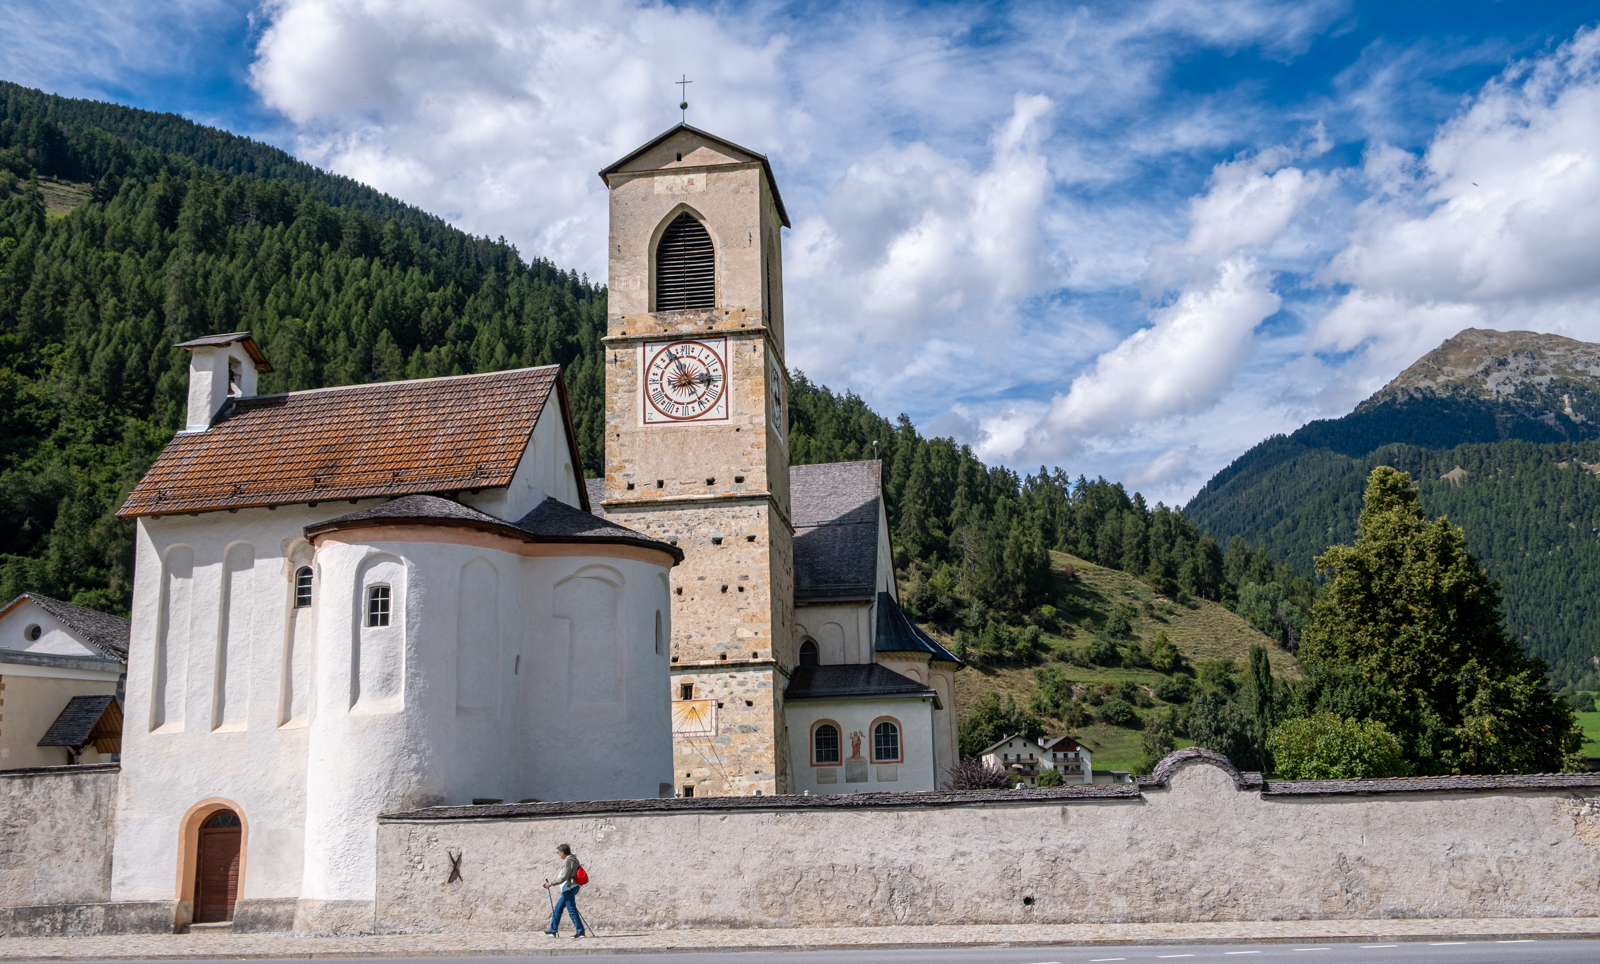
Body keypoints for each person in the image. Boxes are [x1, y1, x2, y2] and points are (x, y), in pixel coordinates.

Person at [543, 843, 586, 938]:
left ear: (562, 852)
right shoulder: (574, 859)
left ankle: (580, 931)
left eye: (558, 852)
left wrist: (551, 883)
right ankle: (552, 930)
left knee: (571, 910)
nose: (558, 854)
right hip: (572, 887)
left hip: (569, 888)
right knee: (558, 908)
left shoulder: (568, 861)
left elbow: (564, 876)